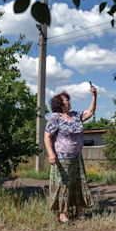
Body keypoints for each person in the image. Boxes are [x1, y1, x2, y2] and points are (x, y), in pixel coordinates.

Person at [44, 83, 97, 223]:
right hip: (62, 158)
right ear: (60, 104)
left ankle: (79, 211)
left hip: (77, 158)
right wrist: (51, 154)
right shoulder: (55, 117)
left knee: (79, 183)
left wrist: (94, 96)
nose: (69, 102)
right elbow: (47, 136)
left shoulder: (75, 116)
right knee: (64, 185)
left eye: (68, 99)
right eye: (67, 100)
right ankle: (63, 214)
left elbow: (90, 112)